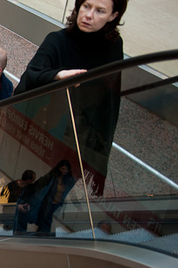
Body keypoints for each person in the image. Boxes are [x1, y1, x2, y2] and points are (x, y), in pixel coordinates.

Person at [14, 0, 127, 197]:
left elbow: (108, 101)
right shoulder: (57, 41)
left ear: (113, 16)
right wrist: (57, 76)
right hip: (47, 134)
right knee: (29, 193)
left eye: (100, 11)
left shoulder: (114, 46)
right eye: (86, 6)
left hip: (80, 139)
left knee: (55, 197)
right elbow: (31, 76)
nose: (89, 15)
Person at [14, 160, 77, 232]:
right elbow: (41, 187)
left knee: (46, 220)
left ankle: (42, 233)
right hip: (48, 203)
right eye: (63, 168)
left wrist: (77, 205)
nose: (65, 171)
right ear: (59, 168)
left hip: (57, 205)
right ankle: (42, 234)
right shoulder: (51, 176)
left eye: (66, 169)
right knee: (45, 220)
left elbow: (71, 192)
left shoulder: (69, 180)